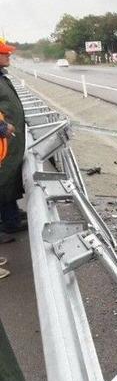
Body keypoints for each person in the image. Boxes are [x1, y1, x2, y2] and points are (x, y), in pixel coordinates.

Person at [0, 38, 28, 236]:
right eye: (4, 52)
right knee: (3, 179)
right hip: (3, 141)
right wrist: (2, 127)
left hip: (8, 141)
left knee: (9, 178)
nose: (8, 54)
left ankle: (11, 216)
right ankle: (9, 222)